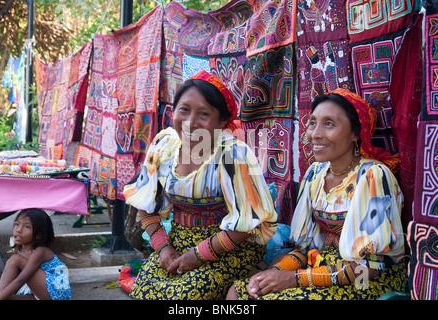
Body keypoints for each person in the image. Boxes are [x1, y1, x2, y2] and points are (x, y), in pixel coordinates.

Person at [227, 88, 407, 300]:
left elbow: (368, 268)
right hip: (321, 265)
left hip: (364, 280)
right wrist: (275, 273)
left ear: (356, 134)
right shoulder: (315, 173)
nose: (315, 134)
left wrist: (293, 279)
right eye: (312, 123)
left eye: (329, 123)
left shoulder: (373, 176)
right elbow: (304, 248)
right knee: (239, 292)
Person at [123, 70, 278, 300]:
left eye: (203, 114)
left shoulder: (233, 155)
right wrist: (163, 248)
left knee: (184, 297)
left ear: (222, 121)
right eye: (184, 110)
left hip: (229, 247)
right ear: (172, 111)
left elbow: (245, 227)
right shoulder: (163, 145)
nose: (190, 122)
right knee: (144, 290)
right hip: (178, 243)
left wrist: (196, 256)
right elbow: (144, 202)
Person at [0, 208, 70, 300]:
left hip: (55, 292)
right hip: (37, 294)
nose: (18, 230)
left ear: (39, 234)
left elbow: (20, 280)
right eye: (17, 224)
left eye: (27, 227)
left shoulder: (40, 251)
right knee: (5, 297)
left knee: (15, 259)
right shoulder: (18, 248)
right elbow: (14, 277)